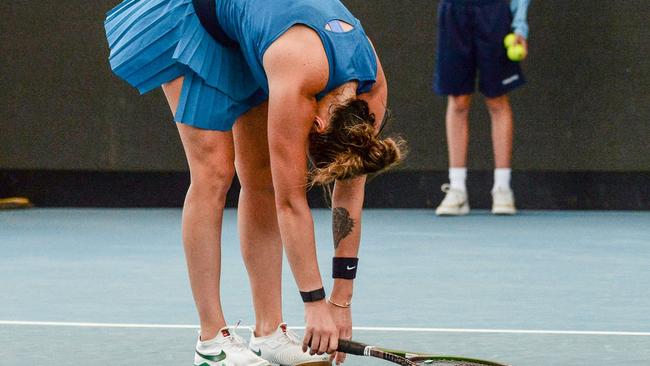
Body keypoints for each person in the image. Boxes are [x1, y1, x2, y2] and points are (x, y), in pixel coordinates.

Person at [104, 0, 404, 365]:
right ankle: (211, 341)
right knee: (213, 171)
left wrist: (340, 300)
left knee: (259, 174)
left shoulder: (370, 87)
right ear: (318, 124)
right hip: (195, 16)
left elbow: (351, 189)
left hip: (254, 29)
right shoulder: (297, 71)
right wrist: (314, 306)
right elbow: (290, 202)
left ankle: (268, 332)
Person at [433, 0, 531, 216]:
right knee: (458, 100)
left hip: (494, 11)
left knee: (496, 99)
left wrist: (520, 25)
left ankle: (502, 188)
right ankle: (457, 189)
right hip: (454, 13)